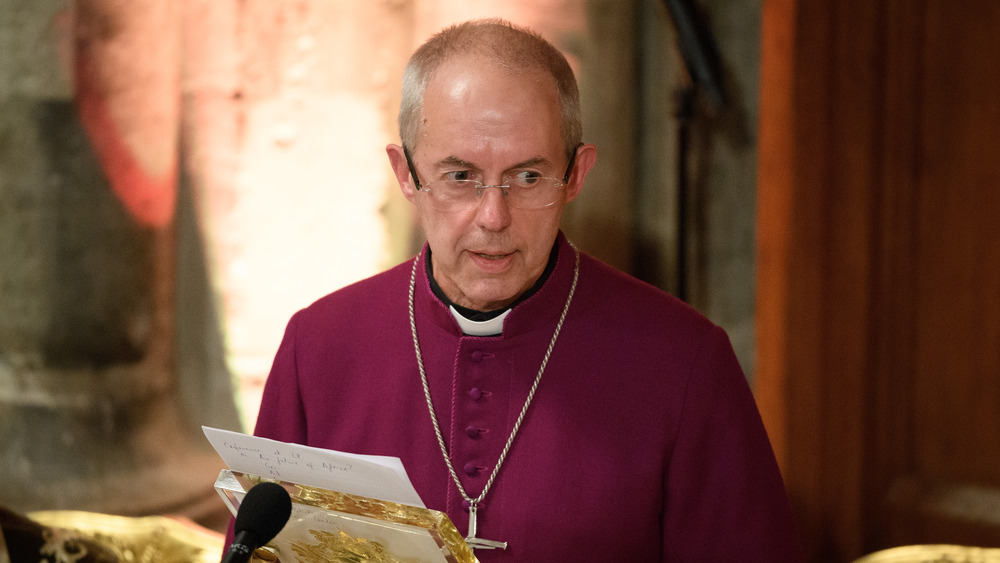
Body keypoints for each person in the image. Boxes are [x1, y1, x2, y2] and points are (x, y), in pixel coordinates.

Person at [251, 18, 803, 562]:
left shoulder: (685, 362)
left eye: (529, 177)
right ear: (406, 174)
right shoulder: (318, 347)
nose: (493, 217)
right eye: (460, 176)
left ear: (577, 174)